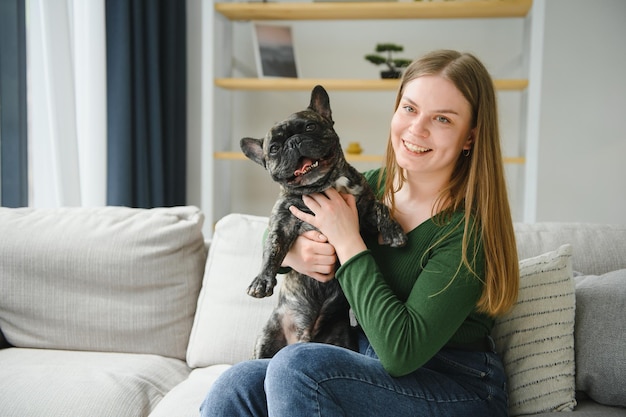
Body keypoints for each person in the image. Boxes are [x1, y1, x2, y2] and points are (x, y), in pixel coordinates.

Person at [200, 49, 519, 417]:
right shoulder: (367, 187)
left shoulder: (467, 232)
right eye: (410, 109)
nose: (417, 129)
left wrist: (349, 240)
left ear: (470, 137)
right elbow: (281, 221)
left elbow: (401, 353)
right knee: (236, 384)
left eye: (443, 119)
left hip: (455, 384)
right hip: (366, 365)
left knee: (298, 368)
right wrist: (296, 254)